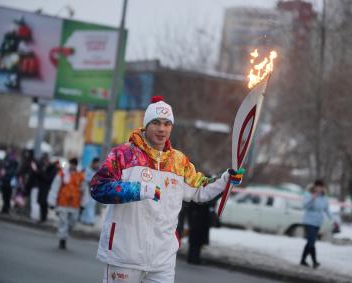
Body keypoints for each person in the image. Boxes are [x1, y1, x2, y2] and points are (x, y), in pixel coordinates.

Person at [90, 96, 244, 283]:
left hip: (162, 261)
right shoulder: (124, 154)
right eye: (155, 122)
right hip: (124, 256)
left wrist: (225, 179)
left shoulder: (179, 161)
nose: (161, 129)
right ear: (146, 124)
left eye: (167, 123)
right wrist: (138, 189)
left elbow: (200, 189)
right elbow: (98, 187)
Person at [48, 157, 87, 250]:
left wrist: (83, 204)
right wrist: (52, 201)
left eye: (74, 164)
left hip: (75, 204)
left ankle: (65, 235)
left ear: (76, 165)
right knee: (63, 222)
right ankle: (62, 240)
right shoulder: (62, 174)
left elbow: (84, 191)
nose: (73, 166)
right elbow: (55, 187)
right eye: (71, 163)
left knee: (72, 222)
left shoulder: (80, 176)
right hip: (63, 202)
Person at [300, 179, 332, 268]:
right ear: (314, 186)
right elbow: (304, 206)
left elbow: (326, 209)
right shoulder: (308, 194)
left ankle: (302, 260)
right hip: (308, 221)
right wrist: (312, 198)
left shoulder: (324, 197)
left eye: (321, 187)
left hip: (317, 223)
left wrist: (333, 219)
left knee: (310, 242)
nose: (319, 188)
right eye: (317, 186)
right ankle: (314, 262)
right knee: (312, 242)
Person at [37, 153, 58, 223]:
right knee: (42, 203)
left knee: (44, 203)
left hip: (47, 188)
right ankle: (42, 217)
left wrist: (42, 173)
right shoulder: (46, 167)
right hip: (43, 187)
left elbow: (48, 178)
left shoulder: (52, 169)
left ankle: (44, 218)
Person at [80, 157, 100, 225]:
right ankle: (84, 219)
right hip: (86, 189)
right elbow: (85, 179)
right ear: (93, 163)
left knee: (91, 205)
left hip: (94, 190)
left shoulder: (97, 171)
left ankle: (90, 220)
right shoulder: (87, 169)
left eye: (98, 164)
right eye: (96, 163)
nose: (97, 165)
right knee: (85, 204)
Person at [0, 148, 18, 214]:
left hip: (9, 181)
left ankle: (6, 208)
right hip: (5, 180)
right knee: (4, 195)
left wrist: (6, 172)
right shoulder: (6, 159)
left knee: (7, 195)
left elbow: (13, 171)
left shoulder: (14, 161)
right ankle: (5, 208)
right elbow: (3, 167)